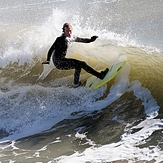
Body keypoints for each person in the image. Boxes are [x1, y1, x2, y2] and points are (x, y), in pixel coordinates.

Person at [42, 23, 108, 88]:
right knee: (82, 63)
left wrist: (91, 40)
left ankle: (76, 84)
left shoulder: (72, 37)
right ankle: (99, 75)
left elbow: (83, 40)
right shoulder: (60, 39)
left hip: (63, 60)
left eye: (70, 30)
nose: (69, 32)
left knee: (78, 66)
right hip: (58, 62)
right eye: (67, 31)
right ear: (64, 31)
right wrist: (48, 60)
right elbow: (51, 49)